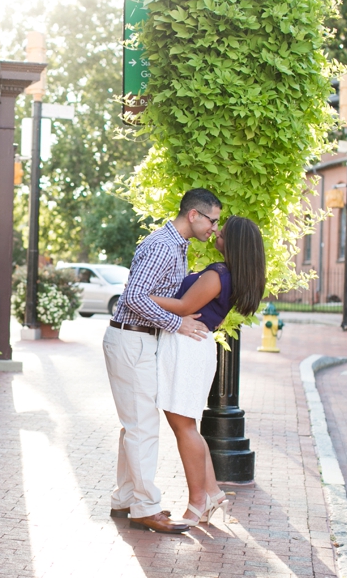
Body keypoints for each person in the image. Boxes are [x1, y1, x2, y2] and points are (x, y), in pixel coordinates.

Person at [102, 188, 222, 534]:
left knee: (134, 425)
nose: (214, 228)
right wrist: (178, 322)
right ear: (194, 215)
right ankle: (145, 508)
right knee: (143, 427)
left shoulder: (177, 246)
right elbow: (134, 296)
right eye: (212, 220)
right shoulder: (164, 246)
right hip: (132, 337)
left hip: (137, 338)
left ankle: (125, 499)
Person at [150, 215, 266, 526]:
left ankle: (198, 502)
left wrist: (144, 296)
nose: (216, 233)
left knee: (183, 427)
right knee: (188, 426)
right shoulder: (231, 275)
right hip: (193, 346)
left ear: (234, 244)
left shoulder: (218, 274)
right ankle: (212, 493)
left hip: (187, 346)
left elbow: (185, 306)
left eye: (222, 233)